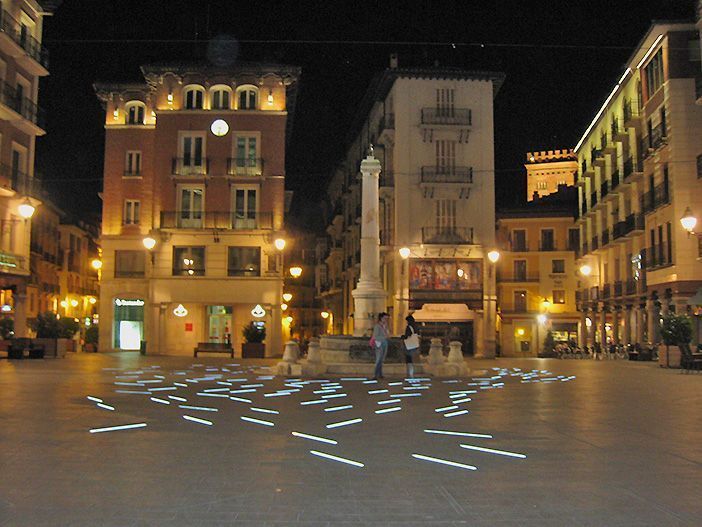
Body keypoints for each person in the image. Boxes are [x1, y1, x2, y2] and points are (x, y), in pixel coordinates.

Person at [372, 312, 390, 380]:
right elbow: (375, 336)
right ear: (381, 318)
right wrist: (384, 337)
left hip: (385, 342)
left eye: (387, 319)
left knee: (382, 359)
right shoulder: (377, 326)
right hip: (379, 343)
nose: (386, 320)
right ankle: (375, 374)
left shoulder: (385, 326)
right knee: (378, 359)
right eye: (385, 318)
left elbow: (387, 334)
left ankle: (380, 374)